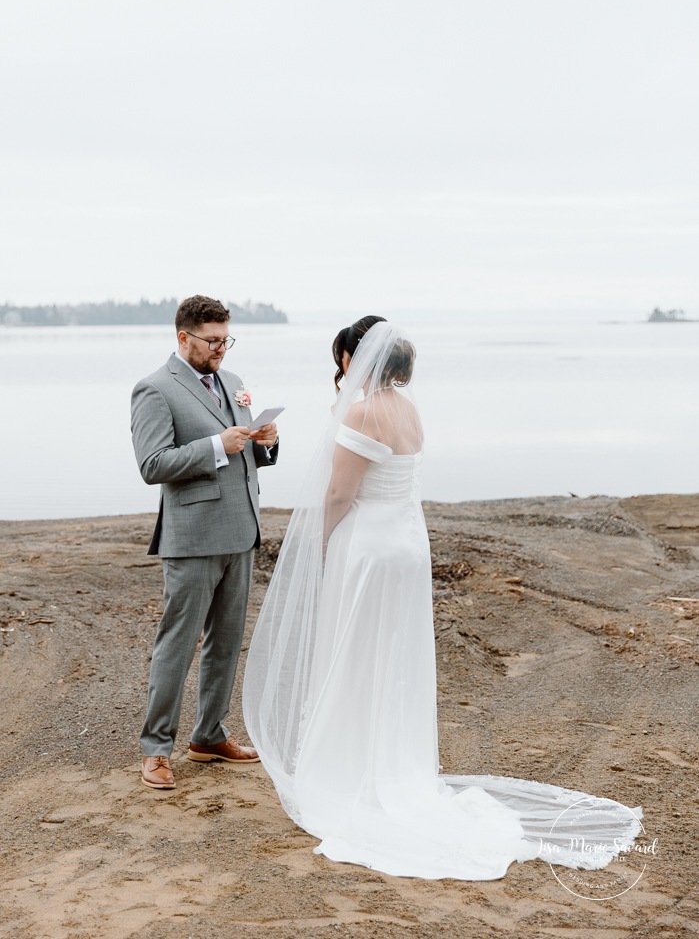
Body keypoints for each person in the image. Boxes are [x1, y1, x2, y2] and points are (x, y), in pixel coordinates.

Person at [243, 317, 642, 879]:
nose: (341, 371)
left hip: (370, 550)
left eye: (343, 359)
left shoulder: (361, 412)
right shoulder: (408, 409)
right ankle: (388, 763)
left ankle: (350, 768)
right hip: (405, 545)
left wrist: (321, 544)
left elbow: (339, 492)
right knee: (390, 657)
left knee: (356, 655)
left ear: (356, 359)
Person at [132, 294, 278, 790]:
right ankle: (156, 750)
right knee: (177, 644)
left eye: (226, 340)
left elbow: (246, 456)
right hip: (192, 538)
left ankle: (209, 735)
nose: (221, 350)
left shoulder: (232, 383)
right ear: (183, 338)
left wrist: (267, 442)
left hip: (241, 531)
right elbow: (153, 465)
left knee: (227, 643)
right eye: (212, 342)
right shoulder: (153, 389)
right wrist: (217, 445)